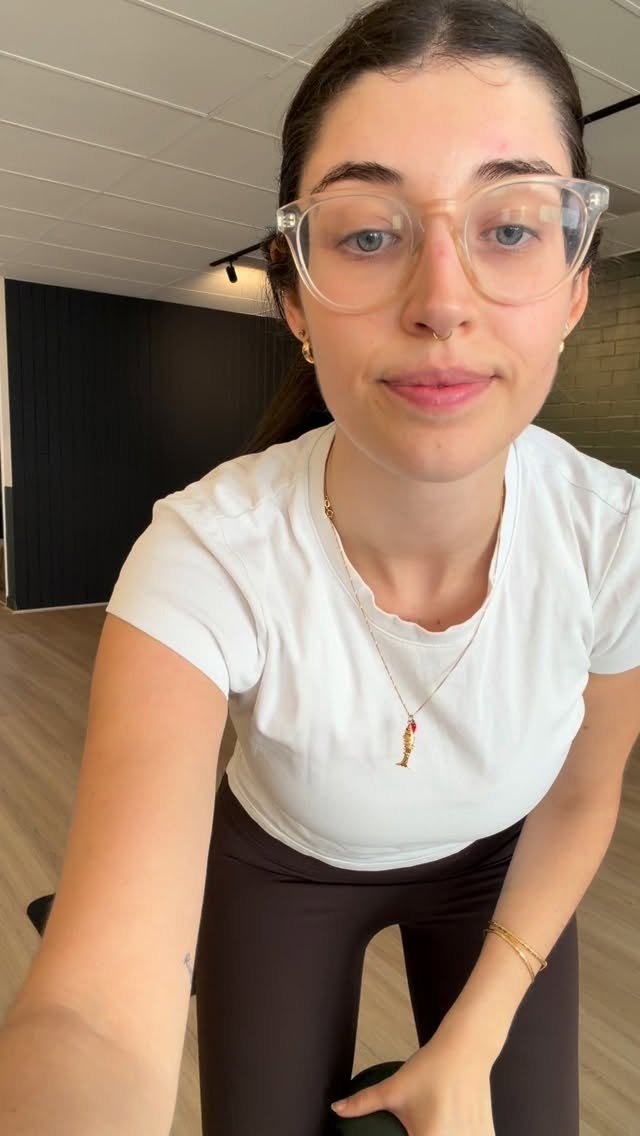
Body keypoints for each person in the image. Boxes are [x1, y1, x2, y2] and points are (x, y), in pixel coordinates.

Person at [0, 1, 638, 1135]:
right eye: (367, 235)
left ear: (575, 285)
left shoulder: (615, 536)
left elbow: (585, 789)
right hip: (283, 863)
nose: (442, 303)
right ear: (295, 300)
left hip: (501, 872)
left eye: (509, 226)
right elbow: (92, 1013)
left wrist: (472, 1039)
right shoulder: (207, 553)